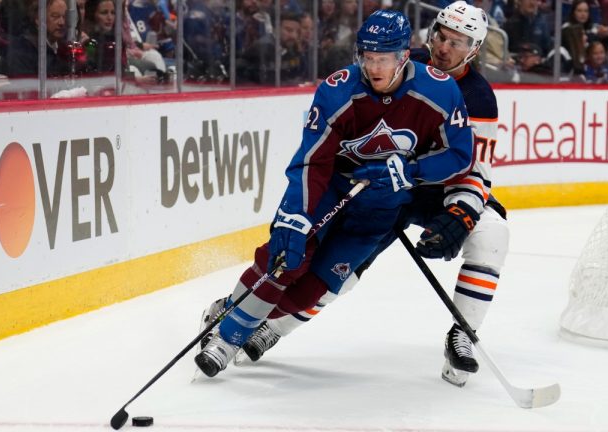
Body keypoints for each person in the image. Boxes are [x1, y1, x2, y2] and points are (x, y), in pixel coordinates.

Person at [217, 2, 509, 388]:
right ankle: (273, 326)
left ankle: (463, 334)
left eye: (457, 41)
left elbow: (473, 167)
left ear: (474, 48)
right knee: (343, 271)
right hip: (375, 188)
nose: (443, 47)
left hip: (431, 190)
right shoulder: (400, 61)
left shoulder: (479, 97)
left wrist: (462, 213)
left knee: (493, 233)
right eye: (441, 35)